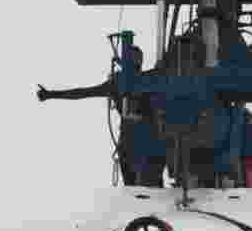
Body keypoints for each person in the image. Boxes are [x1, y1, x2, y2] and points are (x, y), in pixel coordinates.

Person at [36, 45, 163, 186]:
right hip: (137, 145)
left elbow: (82, 93)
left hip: (138, 145)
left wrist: (51, 94)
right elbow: (82, 93)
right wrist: (52, 94)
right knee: (141, 191)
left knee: (142, 190)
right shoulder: (142, 80)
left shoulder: (128, 81)